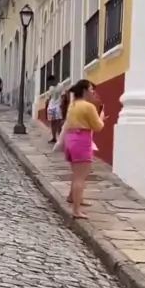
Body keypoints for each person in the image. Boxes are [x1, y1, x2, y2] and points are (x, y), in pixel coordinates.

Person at [64, 78, 104, 219]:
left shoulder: (73, 104)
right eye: (91, 89)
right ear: (85, 91)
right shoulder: (88, 106)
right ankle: (76, 210)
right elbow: (98, 126)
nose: (93, 92)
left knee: (76, 173)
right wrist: (101, 117)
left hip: (70, 139)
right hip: (82, 140)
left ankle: (73, 197)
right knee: (80, 177)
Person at [46, 75, 63, 143]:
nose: (50, 84)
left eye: (50, 82)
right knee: (52, 122)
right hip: (51, 106)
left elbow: (63, 95)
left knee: (58, 122)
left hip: (58, 105)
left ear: (53, 80)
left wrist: (62, 104)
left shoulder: (61, 86)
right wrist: (47, 106)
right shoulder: (51, 88)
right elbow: (49, 98)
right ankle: (54, 137)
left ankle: (60, 138)